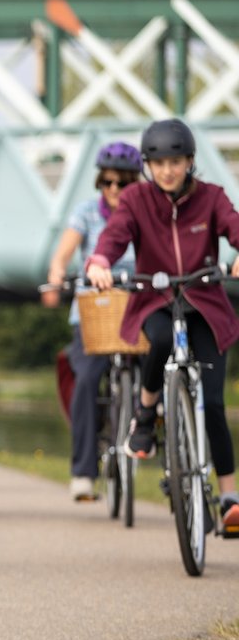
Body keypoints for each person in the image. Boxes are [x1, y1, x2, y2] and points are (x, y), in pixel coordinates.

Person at [85, 119, 239, 532]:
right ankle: (147, 411)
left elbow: (234, 225)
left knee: (215, 406)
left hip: (205, 303)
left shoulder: (211, 198)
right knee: (158, 340)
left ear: (190, 161)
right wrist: (99, 261)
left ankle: (228, 497)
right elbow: (114, 236)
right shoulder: (135, 199)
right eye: (158, 163)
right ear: (148, 166)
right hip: (156, 298)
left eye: (175, 161)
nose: (167, 170)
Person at [43, 142, 141, 501]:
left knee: (159, 365)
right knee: (87, 379)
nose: (114, 190)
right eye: (108, 182)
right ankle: (83, 471)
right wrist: (56, 276)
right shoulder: (86, 212)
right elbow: (65, 252)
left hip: (136, 306)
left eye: (123, 183)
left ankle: (156, 427)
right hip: (93, 313)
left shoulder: (144, 212)